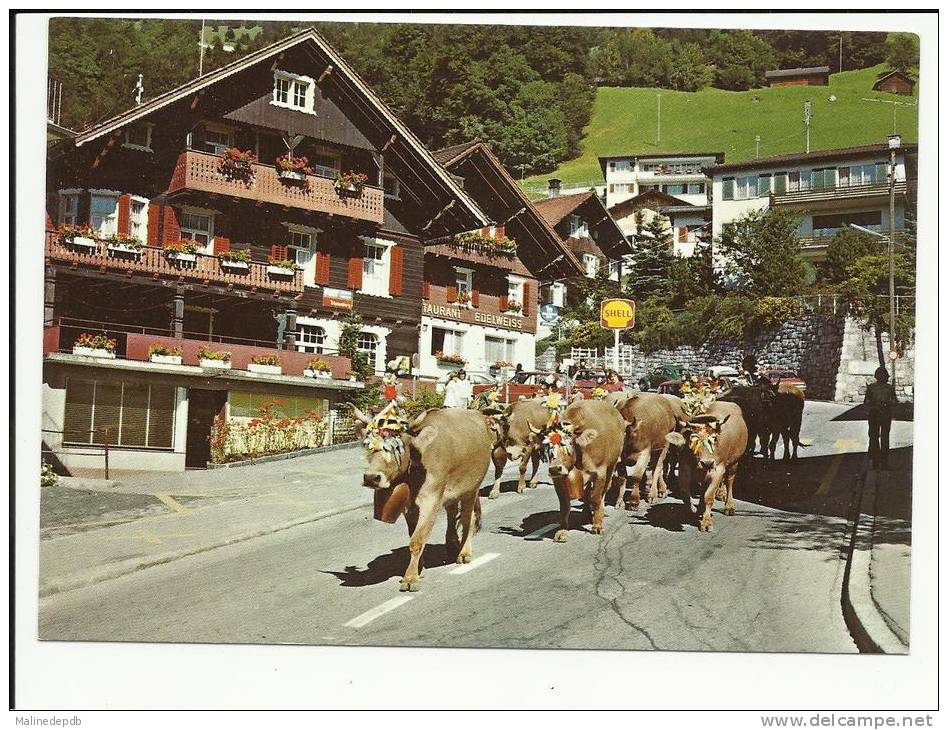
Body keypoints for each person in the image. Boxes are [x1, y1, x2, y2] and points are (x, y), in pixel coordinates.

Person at [864, 366, 897, 470]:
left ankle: (875, 461)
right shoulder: (890, 388)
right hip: (885, 414)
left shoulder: (871, 387)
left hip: (874, 414)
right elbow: (895, 402)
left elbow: (866, 402)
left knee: (874, 438)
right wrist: (887, 403)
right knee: (884, 438)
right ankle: (884, 463)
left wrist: (875, 403)